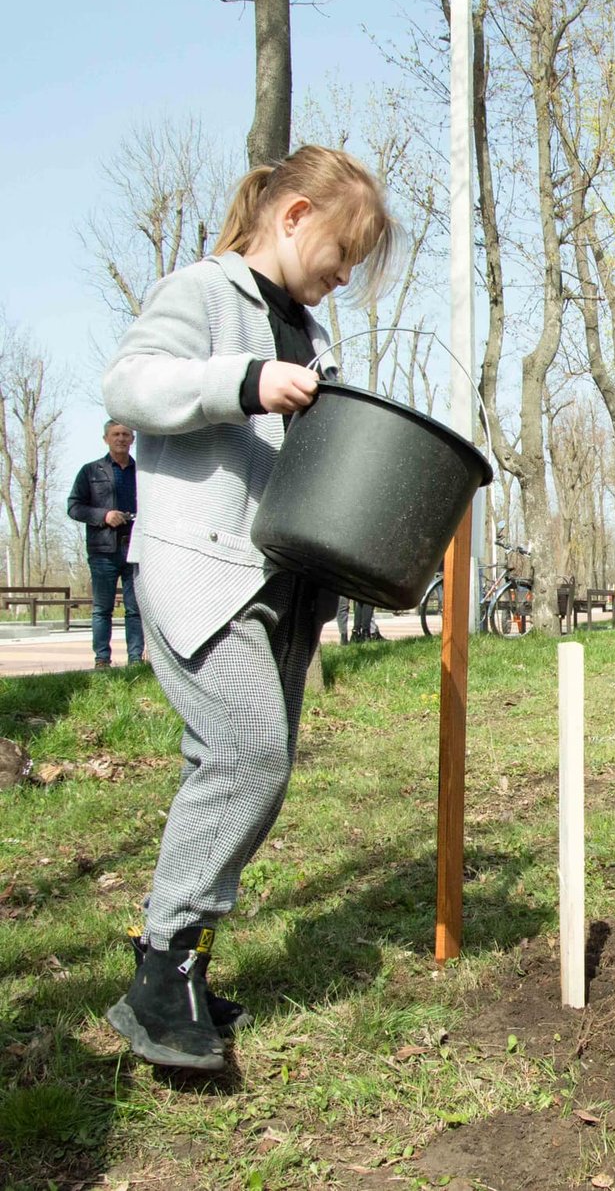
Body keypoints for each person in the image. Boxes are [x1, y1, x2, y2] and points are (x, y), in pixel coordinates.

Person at [101, 144, 398, 1072]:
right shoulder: (203, 293)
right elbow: (129, 385)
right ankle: (159, 971)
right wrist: (243, 381)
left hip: (282, 585)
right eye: (342, 253)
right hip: (203, 569)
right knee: (246, 752)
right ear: (296, 214)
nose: (344, 276)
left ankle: (179, 961)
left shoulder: (312, 335)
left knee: (253, 771)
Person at [67, 420, 144, 668]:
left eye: (125, 434)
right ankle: (102, 660)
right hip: (103, 551)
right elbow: (74, 507)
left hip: (136, 549)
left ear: (132, 439)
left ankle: (135, 659)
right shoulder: (90, 472)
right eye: (115, 434)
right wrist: (104, 516)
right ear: (106, 439)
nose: (121, 438)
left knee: (135, 609)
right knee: (102, 608)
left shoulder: (144, 473)